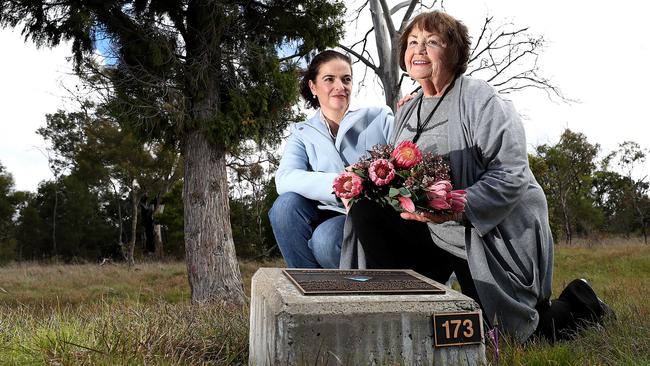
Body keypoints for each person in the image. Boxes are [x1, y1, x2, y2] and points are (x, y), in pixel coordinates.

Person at [340, 11, 611, 343]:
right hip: (431, 229)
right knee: (367, 208)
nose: (419, 50)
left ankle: (581, 302)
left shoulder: (481, 98)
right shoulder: (408, 109)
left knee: (508, 336)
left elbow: (511, 174)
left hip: (483, 232)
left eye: (432, 42)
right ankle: (411, 304)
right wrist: (363, 182)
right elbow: (399, 176)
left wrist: (455, 205)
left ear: (454, 52)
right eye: (412, 42)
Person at [269, 50, 394, 269]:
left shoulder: (378, 117)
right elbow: (285, 179)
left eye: (346, 79)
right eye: (329, 79)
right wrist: (343, 183)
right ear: (313, 87)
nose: (340, 86)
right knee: (284, 207)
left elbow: (405, 159)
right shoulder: (302, 132)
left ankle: (365, 291)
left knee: (325, 241)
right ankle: (311, 292)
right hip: (327, 212)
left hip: (373, 216)